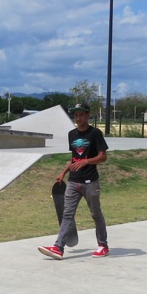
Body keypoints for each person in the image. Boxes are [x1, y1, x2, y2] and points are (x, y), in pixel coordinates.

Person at [38, 103, 110, 260]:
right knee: (67, 214)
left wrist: (87, 162)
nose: (78, 118)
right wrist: (64, 172)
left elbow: (103, 157)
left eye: (81, 115)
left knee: (95, 213)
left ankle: (103, 245)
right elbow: (75, 158)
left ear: (87, 115)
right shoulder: (72, 134)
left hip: (90, 182)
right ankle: (58, 248)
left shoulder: (95, 133)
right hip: (73, 181)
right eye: (76, 115)